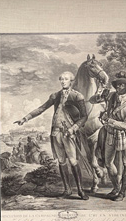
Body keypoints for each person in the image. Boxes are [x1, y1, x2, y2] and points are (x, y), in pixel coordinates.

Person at [16, 71, 91, 200]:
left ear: (71, 81)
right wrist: (25, 118)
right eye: (61, 79)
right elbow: (41, 108)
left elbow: (84, 117)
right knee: (62, 162)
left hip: (69, 134)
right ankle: (67, 190)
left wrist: (73, 129)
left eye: (66, 79)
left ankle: (80, 190)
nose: (63, 81)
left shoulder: (77, 96)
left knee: (73, 161)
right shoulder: (55, 96)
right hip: (55, 133)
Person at [98, 73, 126, 200]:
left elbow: (125, 125)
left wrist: (109, 120)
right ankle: (116, 187)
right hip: (111, 133)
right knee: (108, 163)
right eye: (117, 84)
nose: (118, 86)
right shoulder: (112, 96)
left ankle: (122, 192)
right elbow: (96, 99)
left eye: (122, 84)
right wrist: (101, 90)